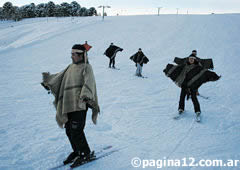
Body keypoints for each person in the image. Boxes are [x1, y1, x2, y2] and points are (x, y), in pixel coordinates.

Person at [41, 44, 100, 168]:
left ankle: (85, 153)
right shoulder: (70, 67)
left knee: (76, 130)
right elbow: (59, 77)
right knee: (69, 130)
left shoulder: (86, 67)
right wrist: (48, 82)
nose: (71, 56)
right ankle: (77, 151)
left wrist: (85, 95)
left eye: (74, 54)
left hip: (80, 104)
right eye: (71, 54)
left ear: (81, 55)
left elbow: (89, 82)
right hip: (69, 104)